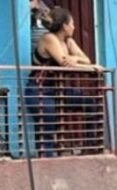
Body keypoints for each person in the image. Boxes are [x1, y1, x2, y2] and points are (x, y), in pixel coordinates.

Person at [25, 6, 103, 157]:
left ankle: (89, 148)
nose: (74, 27)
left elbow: (85, 59)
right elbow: (63, 63)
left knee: (91, 104)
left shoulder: (68, 41)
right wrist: (92, 67)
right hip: (39, 89)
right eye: (72, 23)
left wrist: (75, 58)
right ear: (65, 26)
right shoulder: (49, 38)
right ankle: (47, 158)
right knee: (48, 116)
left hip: (57, 89)